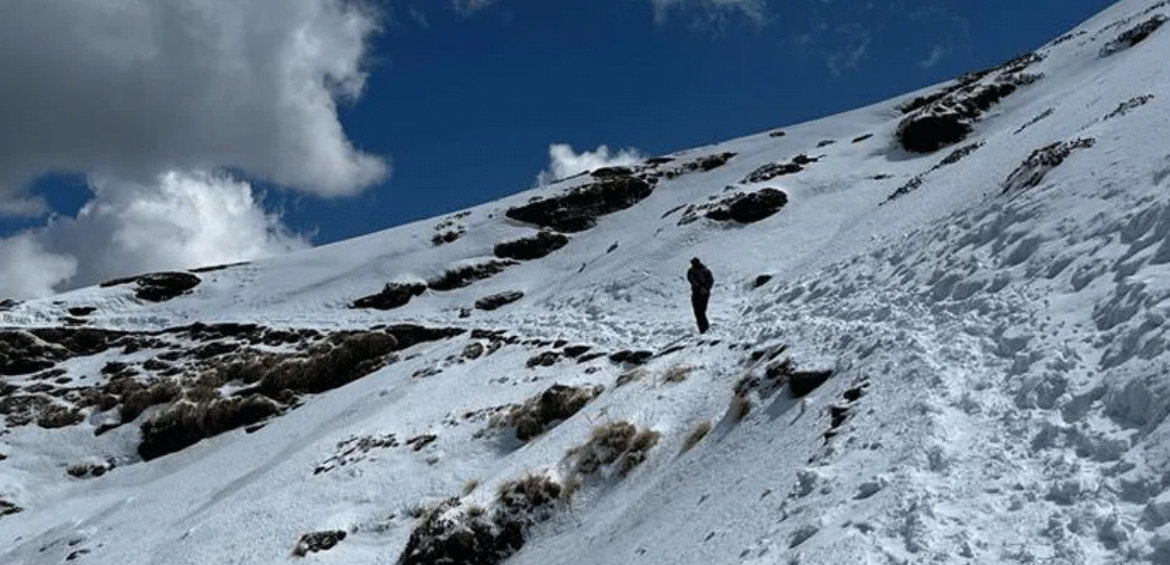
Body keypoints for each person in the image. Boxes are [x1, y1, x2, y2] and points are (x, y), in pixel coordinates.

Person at [687, 257, 714, 334]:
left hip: (699, 294)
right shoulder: (705, 271)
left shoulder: (693, 271)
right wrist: (705, 289)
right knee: (700, 312)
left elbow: (693, 281)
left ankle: (704, 329)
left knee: (699, 312)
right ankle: (704, 328)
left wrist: (703, 289)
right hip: (702, 293)